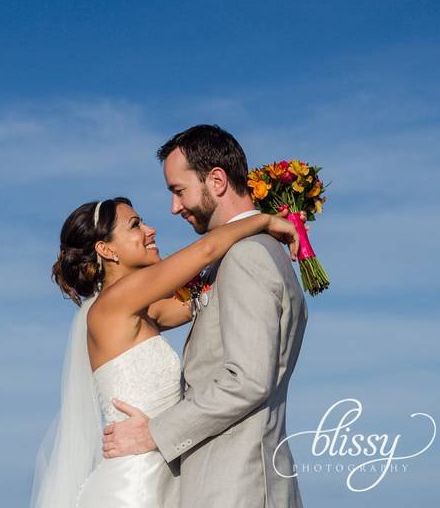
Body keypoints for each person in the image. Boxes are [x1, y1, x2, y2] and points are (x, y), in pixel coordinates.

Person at [31, 187, 299, 508]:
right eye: (134, 226)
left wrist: (263, 250)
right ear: (106, 249)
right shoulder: (114, 301)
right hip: (132, 486)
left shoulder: (143, 310)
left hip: (163, 475)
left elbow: (204, 296)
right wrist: (264, 221)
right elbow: (206, 251)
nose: (150, 229)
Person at [100, 125, 309, 507]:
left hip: (237, 485)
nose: (173, 208)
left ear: (216, 180)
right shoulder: (246, 254)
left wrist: (154, 434)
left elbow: (247, 381)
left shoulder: (246, 257)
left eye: (178, 191)